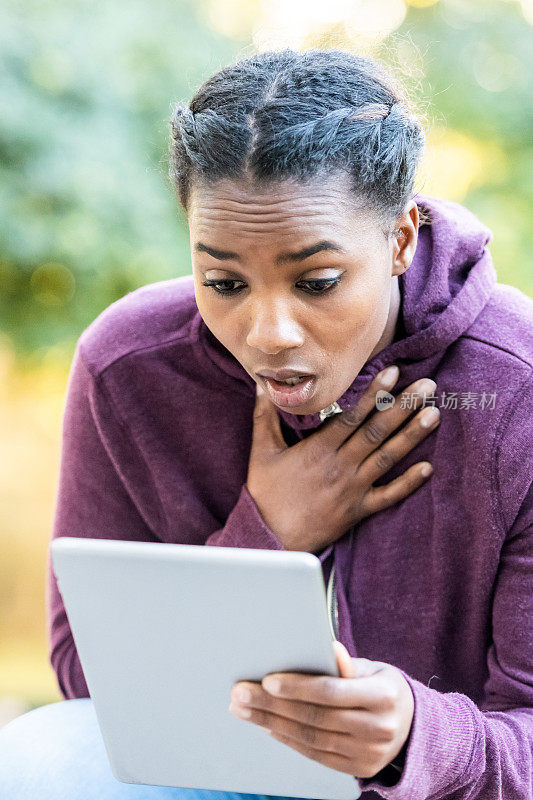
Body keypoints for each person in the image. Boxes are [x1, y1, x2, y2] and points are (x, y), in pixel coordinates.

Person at [1, 48, 531, 800]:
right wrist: (270, 533)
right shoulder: (128, 369)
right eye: (222, 281)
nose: (267, 332)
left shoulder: (513, 391)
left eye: (316, 282)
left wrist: (415, 737)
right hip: (216, 773)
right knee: (31, 759)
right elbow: (87, 677)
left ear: (400, 240)